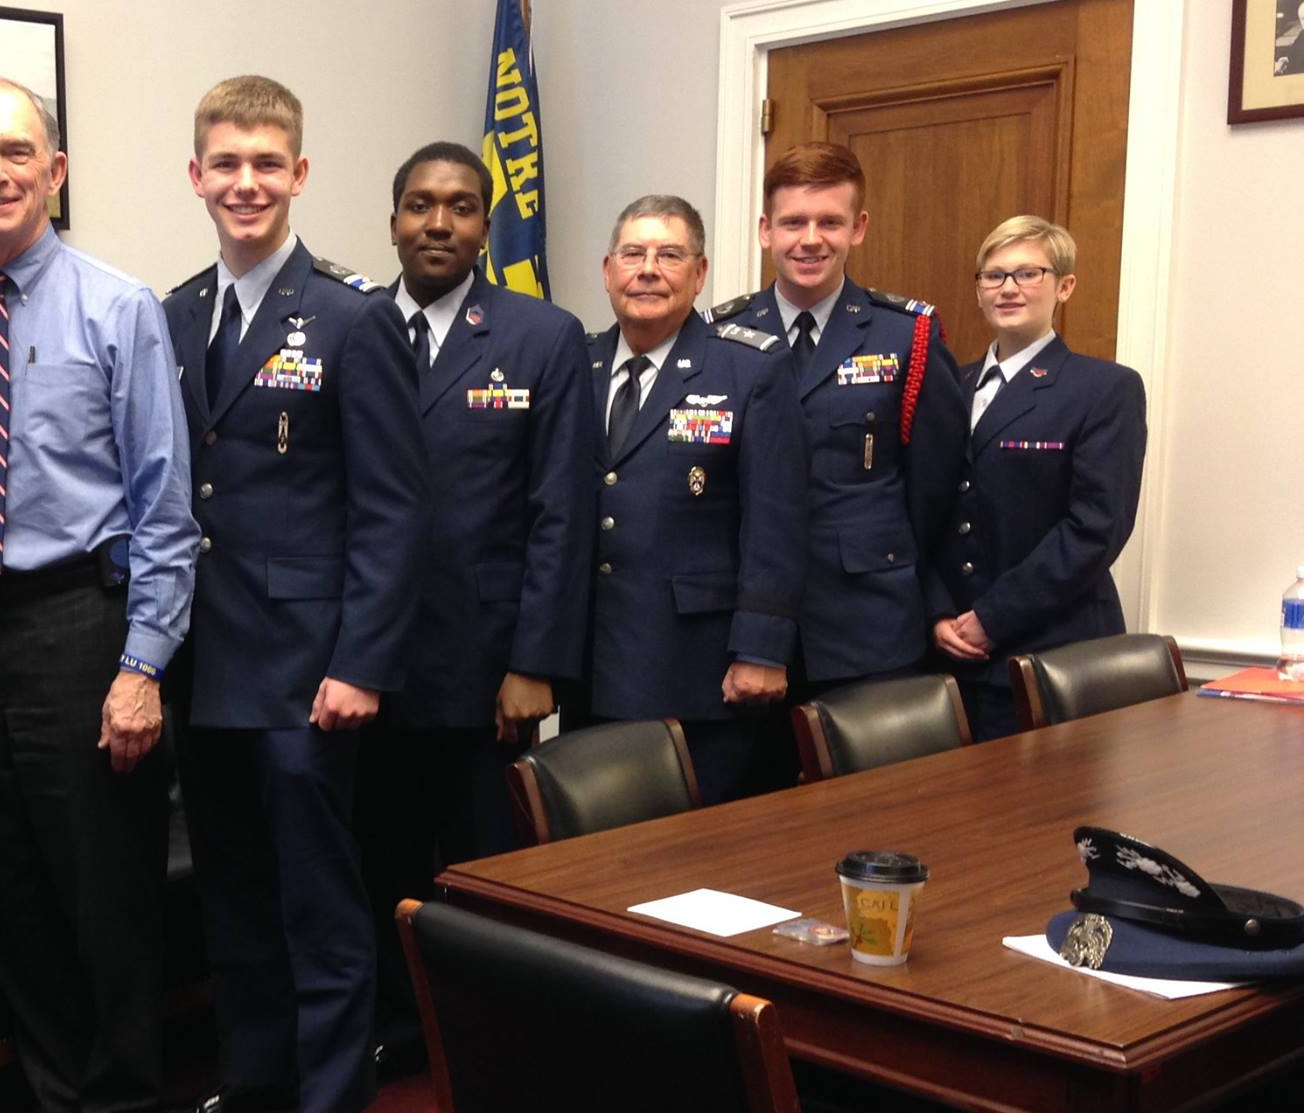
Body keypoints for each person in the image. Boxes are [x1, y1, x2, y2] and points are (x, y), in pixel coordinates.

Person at [0, 75, 197, 1113]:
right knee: (11, 893)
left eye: (15, 153)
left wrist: (141, 667)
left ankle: (118, 1098)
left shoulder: (120, 308)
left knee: (104, 900)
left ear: (53, 171)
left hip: (82, 628)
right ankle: (53, 1094)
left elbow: (164, 507)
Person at [162, 75, 429, 1113]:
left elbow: (395, 511)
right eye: (224, 163)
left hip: (307, 670)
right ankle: (254, 1082)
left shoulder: (352, 317)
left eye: (265, 163)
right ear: (195, 176)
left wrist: (359, 663)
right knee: (232, 902)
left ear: (300, 174)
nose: (245, 183)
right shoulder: (174, 313)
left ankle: (326, 1098)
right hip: (205, 663)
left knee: (318, 908)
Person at [356, 140, 593, 1074]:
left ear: (486, 227)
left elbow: (561, 511)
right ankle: (397, 1031)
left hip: (486, 665)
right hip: (367, 662)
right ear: (394, 222)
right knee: (378, 857)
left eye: (458, 207)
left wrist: (535, 661)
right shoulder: (353, 323)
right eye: (419, 205)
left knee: (480, 866)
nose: (438, 223)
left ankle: (485, 1045)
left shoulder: (541, 334)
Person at [706, 143, 967, 714]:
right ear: (765, 230)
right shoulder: (716, 338)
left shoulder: (907, 336)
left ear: (859, 228)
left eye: (830, 222)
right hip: (740, 626)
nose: (810, 239)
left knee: (871, 801)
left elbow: (935, 488)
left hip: (867, 623)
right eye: (793, 222)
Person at [583, 195, 807, 806]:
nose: (648, 269)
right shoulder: (577, 363)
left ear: (700, 273)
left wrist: (762, 649)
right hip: (591, 663)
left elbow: (777, 521)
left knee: (692, 865)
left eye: (669, 255)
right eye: (633, 254)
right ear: (608, 270)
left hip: (699, 669)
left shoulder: (747, 368)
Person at [930, 216, 1146, 742]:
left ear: (1064, 286)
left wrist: (992, 617)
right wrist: (936, 612)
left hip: (1057, 656)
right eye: (992, 275)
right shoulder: (947, 386)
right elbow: (922, 513)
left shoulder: (1103, 389)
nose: (1008, 288)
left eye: (1028, 273)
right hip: (951, 661)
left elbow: (1096, 528)